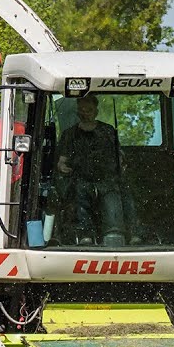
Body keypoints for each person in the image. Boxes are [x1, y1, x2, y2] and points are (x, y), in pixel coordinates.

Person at [55, 95, 125, 245]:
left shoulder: (108, 131)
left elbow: (119, 157)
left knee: (113, 203)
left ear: (96, 111)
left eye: (89, 110)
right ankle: (84, 236)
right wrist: (63, 167)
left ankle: (115, 237)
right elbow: (62, 161)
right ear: (77, 112)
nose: (85, 113)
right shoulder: (69, 134)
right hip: (80, 181)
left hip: (107, 181)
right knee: (78, 197)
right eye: (82, 110)